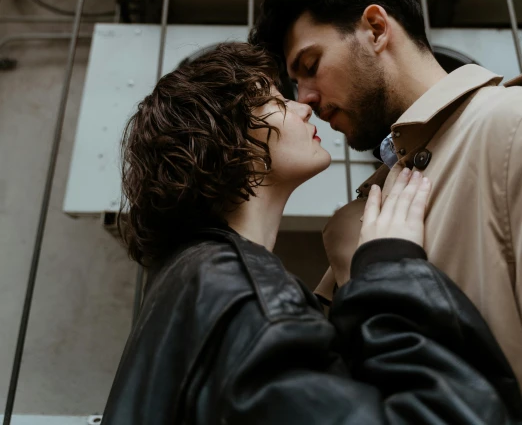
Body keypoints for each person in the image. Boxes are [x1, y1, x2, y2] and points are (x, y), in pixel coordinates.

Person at [102, 42, 522, 425]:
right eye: (274, 101)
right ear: (230, 139)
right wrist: (391, 267)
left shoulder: (191, 283)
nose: (303, 107)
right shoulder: (239, 292)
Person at [250, 0, 522, 386]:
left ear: (375, 29)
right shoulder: (364, 211)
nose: (305, 100)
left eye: (310, 66)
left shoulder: (509, 125)